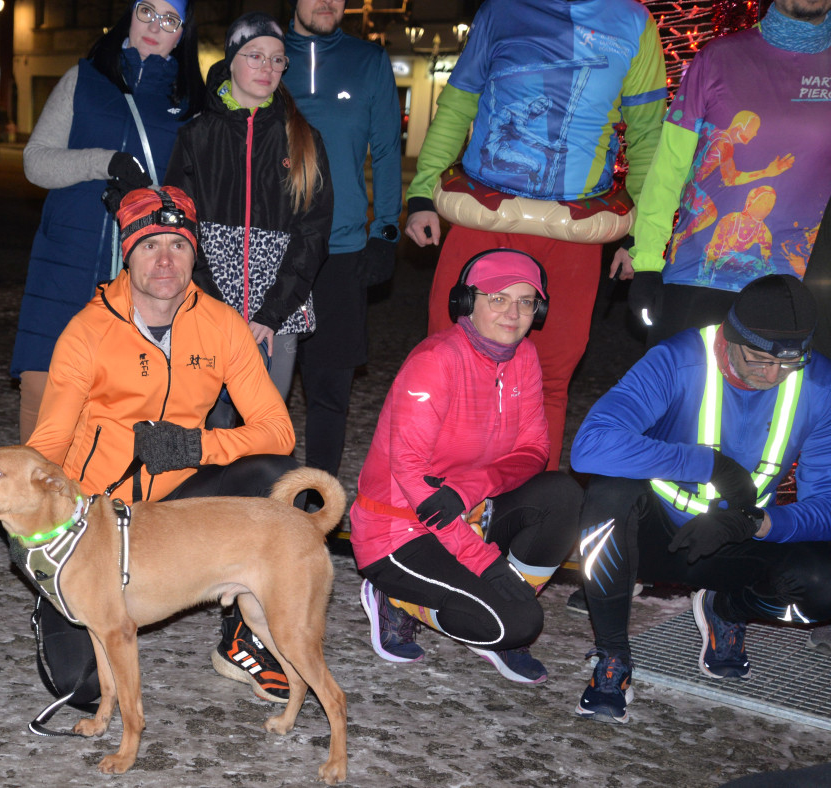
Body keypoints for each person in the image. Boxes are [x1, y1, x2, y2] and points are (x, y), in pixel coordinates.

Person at [28, 186, 298, 704]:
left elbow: (277, 429)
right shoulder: (87, 332)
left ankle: (243, 632)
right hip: (95, 518)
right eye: (150, 245)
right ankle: (59, 596)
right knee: (83, 690)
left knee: (271, 473)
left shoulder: (221, 325)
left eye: (178, 244)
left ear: (195, 253)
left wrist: (197, 447)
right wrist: (48, 533)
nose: (165, 259)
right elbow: (50, 442)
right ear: (126, 253)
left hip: (177, 503)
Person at [404, 0, 667, 470]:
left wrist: (640, 239)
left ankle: (528, 513)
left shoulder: (634, 23)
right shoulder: (500, 10)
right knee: (447, 360)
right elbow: (459, 101)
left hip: (574, 235)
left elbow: (649, 134)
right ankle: (429, 494)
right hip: (484, 218)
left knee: (549, 377)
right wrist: (423, 194)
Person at [570, 274, 831, 724]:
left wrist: (756, 523)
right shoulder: (677, 359)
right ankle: (613, 655)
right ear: (730, 337)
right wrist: (709, 465)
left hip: (732, 539)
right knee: (607, 494)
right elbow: (589, 445)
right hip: (651, 535)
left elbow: (826, 506)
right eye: (757, 358)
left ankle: (724, 608)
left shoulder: (820, 386)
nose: (771, 375)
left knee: (823, 584)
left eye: (788, 364)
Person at [350, 249, 582, 684]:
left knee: (563, 495)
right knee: (519, 625)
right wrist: (488, 566)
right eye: (497, 298)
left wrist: (473, 487)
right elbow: (414, 478)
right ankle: (396, 598)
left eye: (526, 301)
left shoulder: (525, 357)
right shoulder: (435, 362)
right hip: (401, 531)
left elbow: (535, 450)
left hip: (468, 512)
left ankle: (496, 601)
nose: (513, 313)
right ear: (466, 302)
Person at [12, 0, 206, 442]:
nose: (156, 26)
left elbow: (196, 194)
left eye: (170, 19)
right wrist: (106, 162)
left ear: (182, 34)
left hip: (135, 277)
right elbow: (35, 162)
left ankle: (103, 509)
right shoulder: (83, 81)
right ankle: (36, 511)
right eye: (147, 11)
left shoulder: (189, 106)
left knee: (114, 410)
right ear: (129, 16)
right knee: (42, 394)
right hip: (63, 263)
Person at [613, 0, 831, 346]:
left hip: (796, 290)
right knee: (685, 398)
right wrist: (648, 260)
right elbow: (669, 168)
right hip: (697, 278)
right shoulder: (718, 58)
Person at [165, 12, 332, 425]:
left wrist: (269, 313)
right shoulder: (196, 135)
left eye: (278, 60)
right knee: (209, 423)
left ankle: (261, 492)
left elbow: (312, 233)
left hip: (279, 308)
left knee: (265, 424)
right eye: (255, 55)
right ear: (232, 60)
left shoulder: (305, 139)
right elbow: (179, 226)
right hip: (206, 299)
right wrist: (215, 308)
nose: (267, 68)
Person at [282, 0, 403, 477]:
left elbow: (388, 150)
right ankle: (254, 504)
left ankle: (318, 504)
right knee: (254, 389)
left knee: (330, 389)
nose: (328, 2)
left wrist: (386, 231)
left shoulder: (368, 61)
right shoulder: (264, 53)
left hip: (342, 246)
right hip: (272, 249)